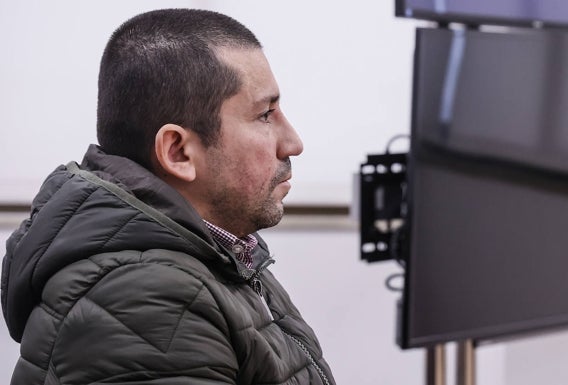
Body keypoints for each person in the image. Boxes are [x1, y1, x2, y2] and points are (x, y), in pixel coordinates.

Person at [1, 8, 335, 385]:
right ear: (177, 153)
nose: (293, 143)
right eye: (265, 115)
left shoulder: (222, 256)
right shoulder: (143, 300)